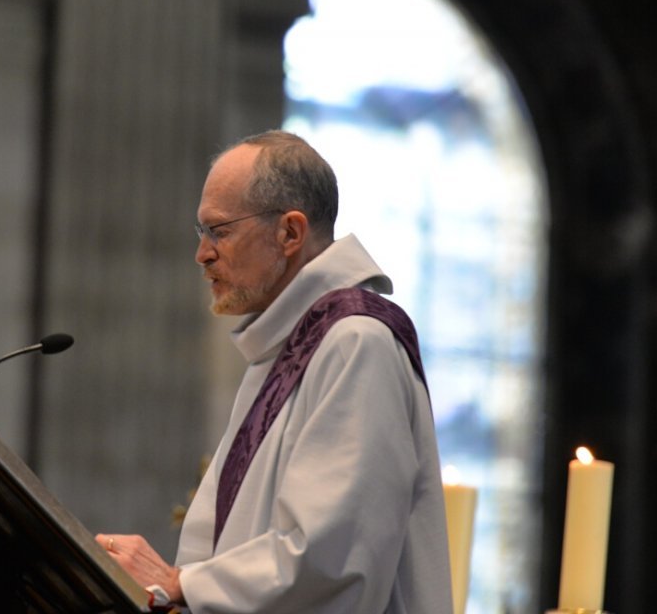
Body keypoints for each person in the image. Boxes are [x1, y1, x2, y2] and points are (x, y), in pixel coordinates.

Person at [96, 130, 452, 613]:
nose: (202, 254)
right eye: (200, 233)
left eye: (219, 231)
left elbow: (333, 557)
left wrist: (183, 585)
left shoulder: (356, 343)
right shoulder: (290, 345)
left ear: (289, 233)